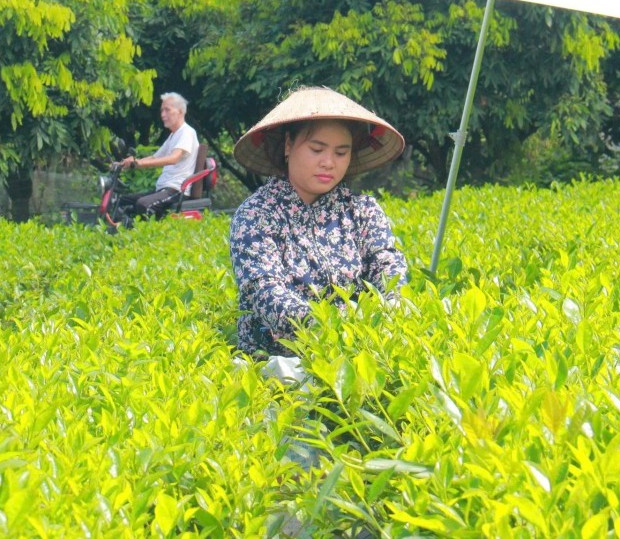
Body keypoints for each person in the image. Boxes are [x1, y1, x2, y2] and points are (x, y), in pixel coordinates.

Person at [230, 87, 408, 358]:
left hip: (362, 350)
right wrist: (337, 324)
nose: (328, 162)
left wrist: (390, 306)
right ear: (288, 145)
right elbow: (265, 291)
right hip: (281, 360)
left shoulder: (362, 210)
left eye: (340, 153)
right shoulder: (256, 215)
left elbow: (388, 267)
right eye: (317, 149)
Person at [116, 92, 200, 217]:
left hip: (176, 190)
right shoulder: (173, 135)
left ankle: (145, 235)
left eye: (167, 110)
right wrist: (126, 163)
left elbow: (173, 158)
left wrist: (138, 162)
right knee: (121, 201)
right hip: (163, 189)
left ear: (180, 111)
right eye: (162, 111)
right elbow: (155, 157)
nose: (163, 115)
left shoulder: (187, 132)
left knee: (143, 204)